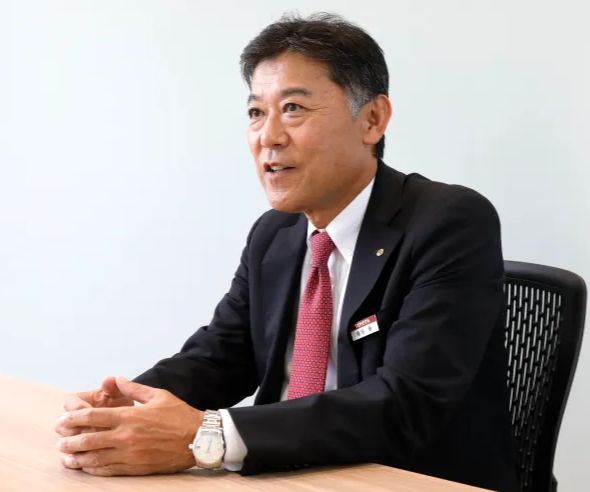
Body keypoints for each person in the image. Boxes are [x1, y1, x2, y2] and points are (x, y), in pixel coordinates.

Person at [55, 13, 518, 491]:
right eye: (256, 112)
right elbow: (222, 356)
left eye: (293, 108)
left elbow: (404, 403)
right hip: (285, 475)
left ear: (372, 120)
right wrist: (127, 407)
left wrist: (209, 436)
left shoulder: (449, 222)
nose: (268, 137)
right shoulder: (275, 234)